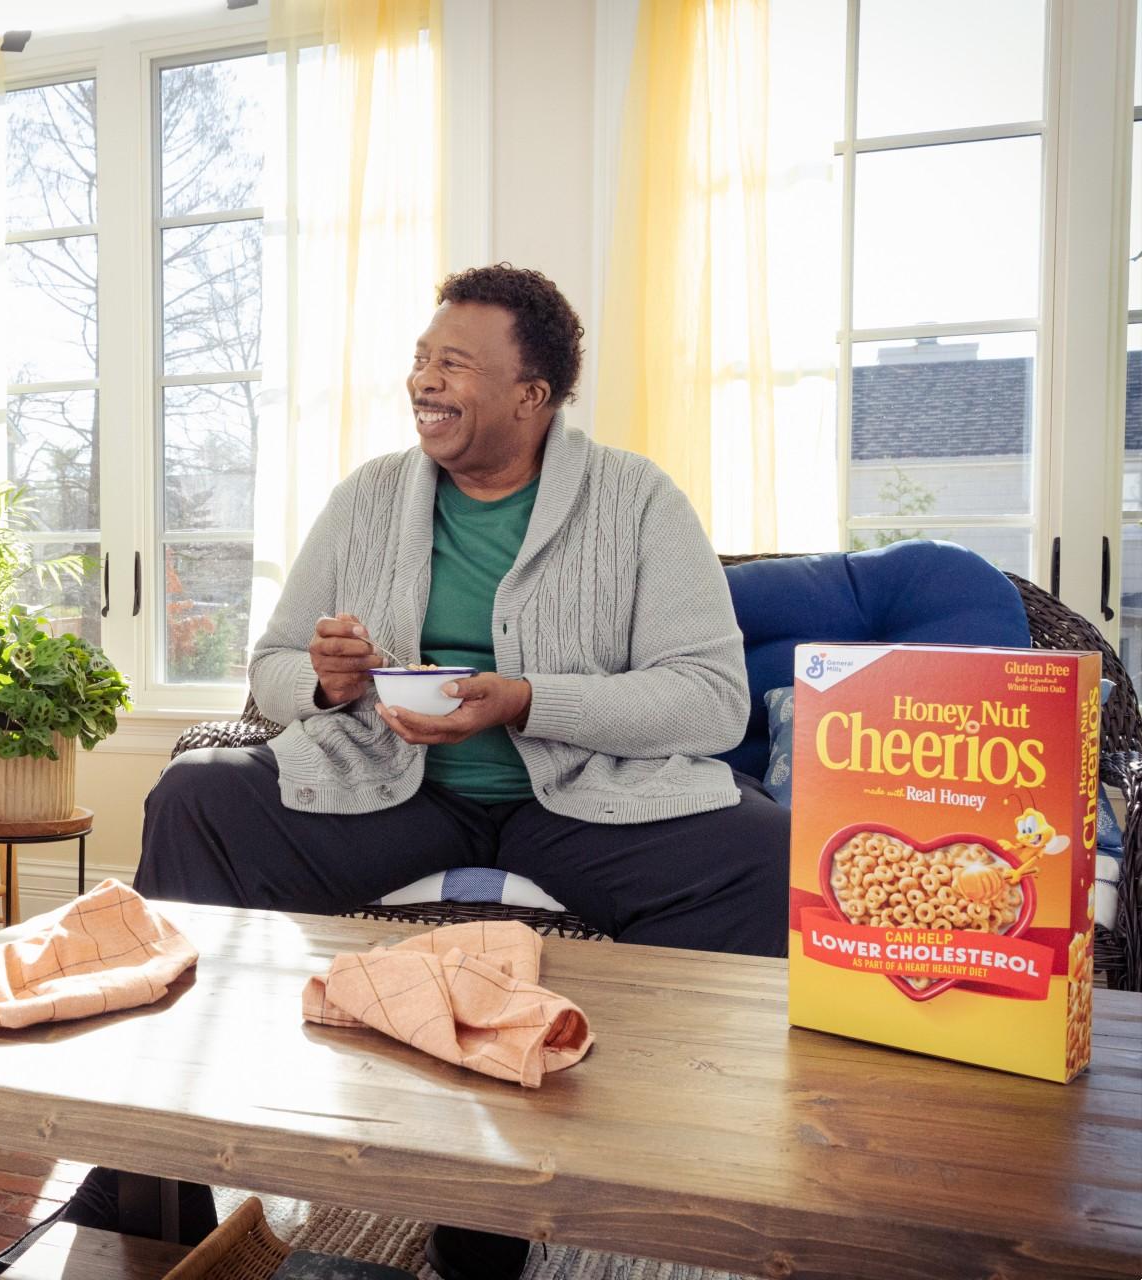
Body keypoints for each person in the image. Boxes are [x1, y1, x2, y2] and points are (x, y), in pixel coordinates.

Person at [132, 263, 789, 1279]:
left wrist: (527, 697)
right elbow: (268, 667)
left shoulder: (638, 499)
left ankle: (651, 1189)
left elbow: (710, 697)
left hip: (578, 799)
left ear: (533, 395)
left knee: (762, 856)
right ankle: (151, 1170)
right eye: (420, 360)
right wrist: (328, 676)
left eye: (454, 364)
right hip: (393, 788)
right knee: (196, 799)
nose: (423, 382)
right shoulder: (370, 497)